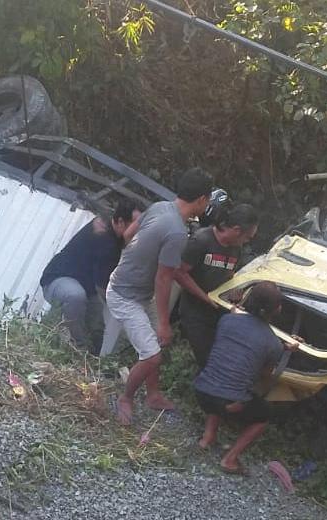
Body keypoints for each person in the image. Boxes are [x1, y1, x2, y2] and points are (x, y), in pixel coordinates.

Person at [107, 167, 213, 425]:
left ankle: (153, 395)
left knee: (156, 345)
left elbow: (128, 234)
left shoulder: (160, 207)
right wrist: (164, 323)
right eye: (208, 199)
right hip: (124, 295)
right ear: (201, 200)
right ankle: (126, 398)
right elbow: (164, 278)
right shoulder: (177, 232)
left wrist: (137, 260)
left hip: (132, 287)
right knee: (152, 354)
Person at [193, 281, 299, 474]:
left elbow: (243, 341)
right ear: (277, 310)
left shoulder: (226, 320)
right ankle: (230, 459)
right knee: (263, 415)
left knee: (220, 378)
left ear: (247, 299)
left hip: (201, 390)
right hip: (229, 403)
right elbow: (264, 378)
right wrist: (285, 352)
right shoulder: (272, 343)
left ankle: (206, 439)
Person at [40, 199, 141, 354]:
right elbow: (104, 288)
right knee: (75, 296)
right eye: (135, 225)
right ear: (121, 222)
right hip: (57, 280)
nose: (138, 230)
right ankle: (78, 350)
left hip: (86, 286)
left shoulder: (115, 231)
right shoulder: (106, 239)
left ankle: (92, 363)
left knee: (97, 327)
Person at [175, 203, 258, 368]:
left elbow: (230, 274)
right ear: (236, 230)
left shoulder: (236, 249)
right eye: (247, 237)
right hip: (194, 310)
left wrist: (235, 292)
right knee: (207, 360)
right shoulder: (202, 240)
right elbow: (179, 273)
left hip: (218, 311)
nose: (247, 242)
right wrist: (205, 297)